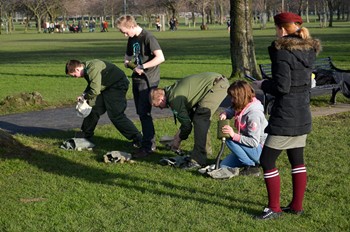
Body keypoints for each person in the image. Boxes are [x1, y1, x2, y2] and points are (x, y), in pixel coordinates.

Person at [252, 12, 321, 219]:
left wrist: (262, 84)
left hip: (286, 114)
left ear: (281, 29)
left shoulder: (282, 52)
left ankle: (274, 208)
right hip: (302, 112)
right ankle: (296, 206)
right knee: (296, 159)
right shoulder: (308, 49)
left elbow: (282, 86)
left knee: (267, 160)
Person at [150, 72, 230, 169]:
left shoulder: (174, 99)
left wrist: (178, 139)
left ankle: (198, 159)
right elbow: (188, 117)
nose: (160, 109)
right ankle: (205, 151)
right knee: (200, 117)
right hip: (216, 82)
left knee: (201, 117)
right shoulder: (172, 91)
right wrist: (177, 136)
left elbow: (187, 125)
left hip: (217, 85)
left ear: (161, 99)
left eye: (157, 105)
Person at [116, 15, 165, 158]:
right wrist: (127, 62)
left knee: (145, 113)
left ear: (132, 26)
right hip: (137, 79)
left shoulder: (148, 37)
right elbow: (127, 56)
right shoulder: (132, 39)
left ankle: (149, 146)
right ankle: (147, 142)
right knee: (141, 112)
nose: (125, 35)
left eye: (125, 32)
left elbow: (160, 58)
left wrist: (143, 66)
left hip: (148, 80)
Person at [65, 59, 143, 148]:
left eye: (74, 75)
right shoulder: (86, 69)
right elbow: (93, 84)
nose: (76, 77)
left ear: (77, 69)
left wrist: (85, 97)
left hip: (117, 85)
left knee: (116, 115)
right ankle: (85, 136)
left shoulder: (92, 68)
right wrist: (84, 95)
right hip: (107, 87)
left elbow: (95, 90)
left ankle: (138, 138)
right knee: (93, 109)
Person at [218, 80, 268, 176]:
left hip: (261, 150)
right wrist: (225, 113)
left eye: (233, 97)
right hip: (249, 147)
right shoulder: (242, 104)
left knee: (228, 137)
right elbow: (232, 109)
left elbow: (254, 142)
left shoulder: (254, 114)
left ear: (241, 97)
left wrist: (233, 135)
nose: (232, 100)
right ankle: (251, 162)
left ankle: (251, 166)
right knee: (223, 165)